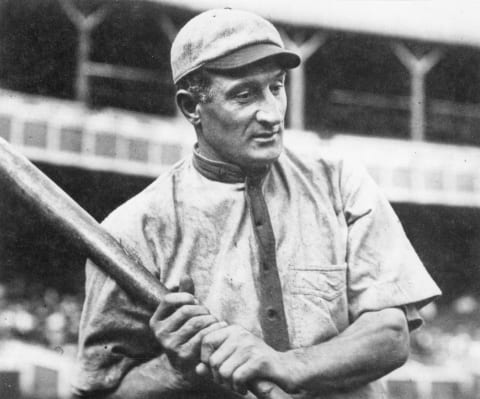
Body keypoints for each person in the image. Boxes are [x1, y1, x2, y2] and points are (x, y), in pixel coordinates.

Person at [72, 8, 441, 399]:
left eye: (276, 87)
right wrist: (176, 369)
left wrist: (284, 365)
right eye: (243, 95)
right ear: (191, 107)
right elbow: (100, 391)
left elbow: (390, 335)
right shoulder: (134, 229)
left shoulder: (339, 181)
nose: (271, 114)